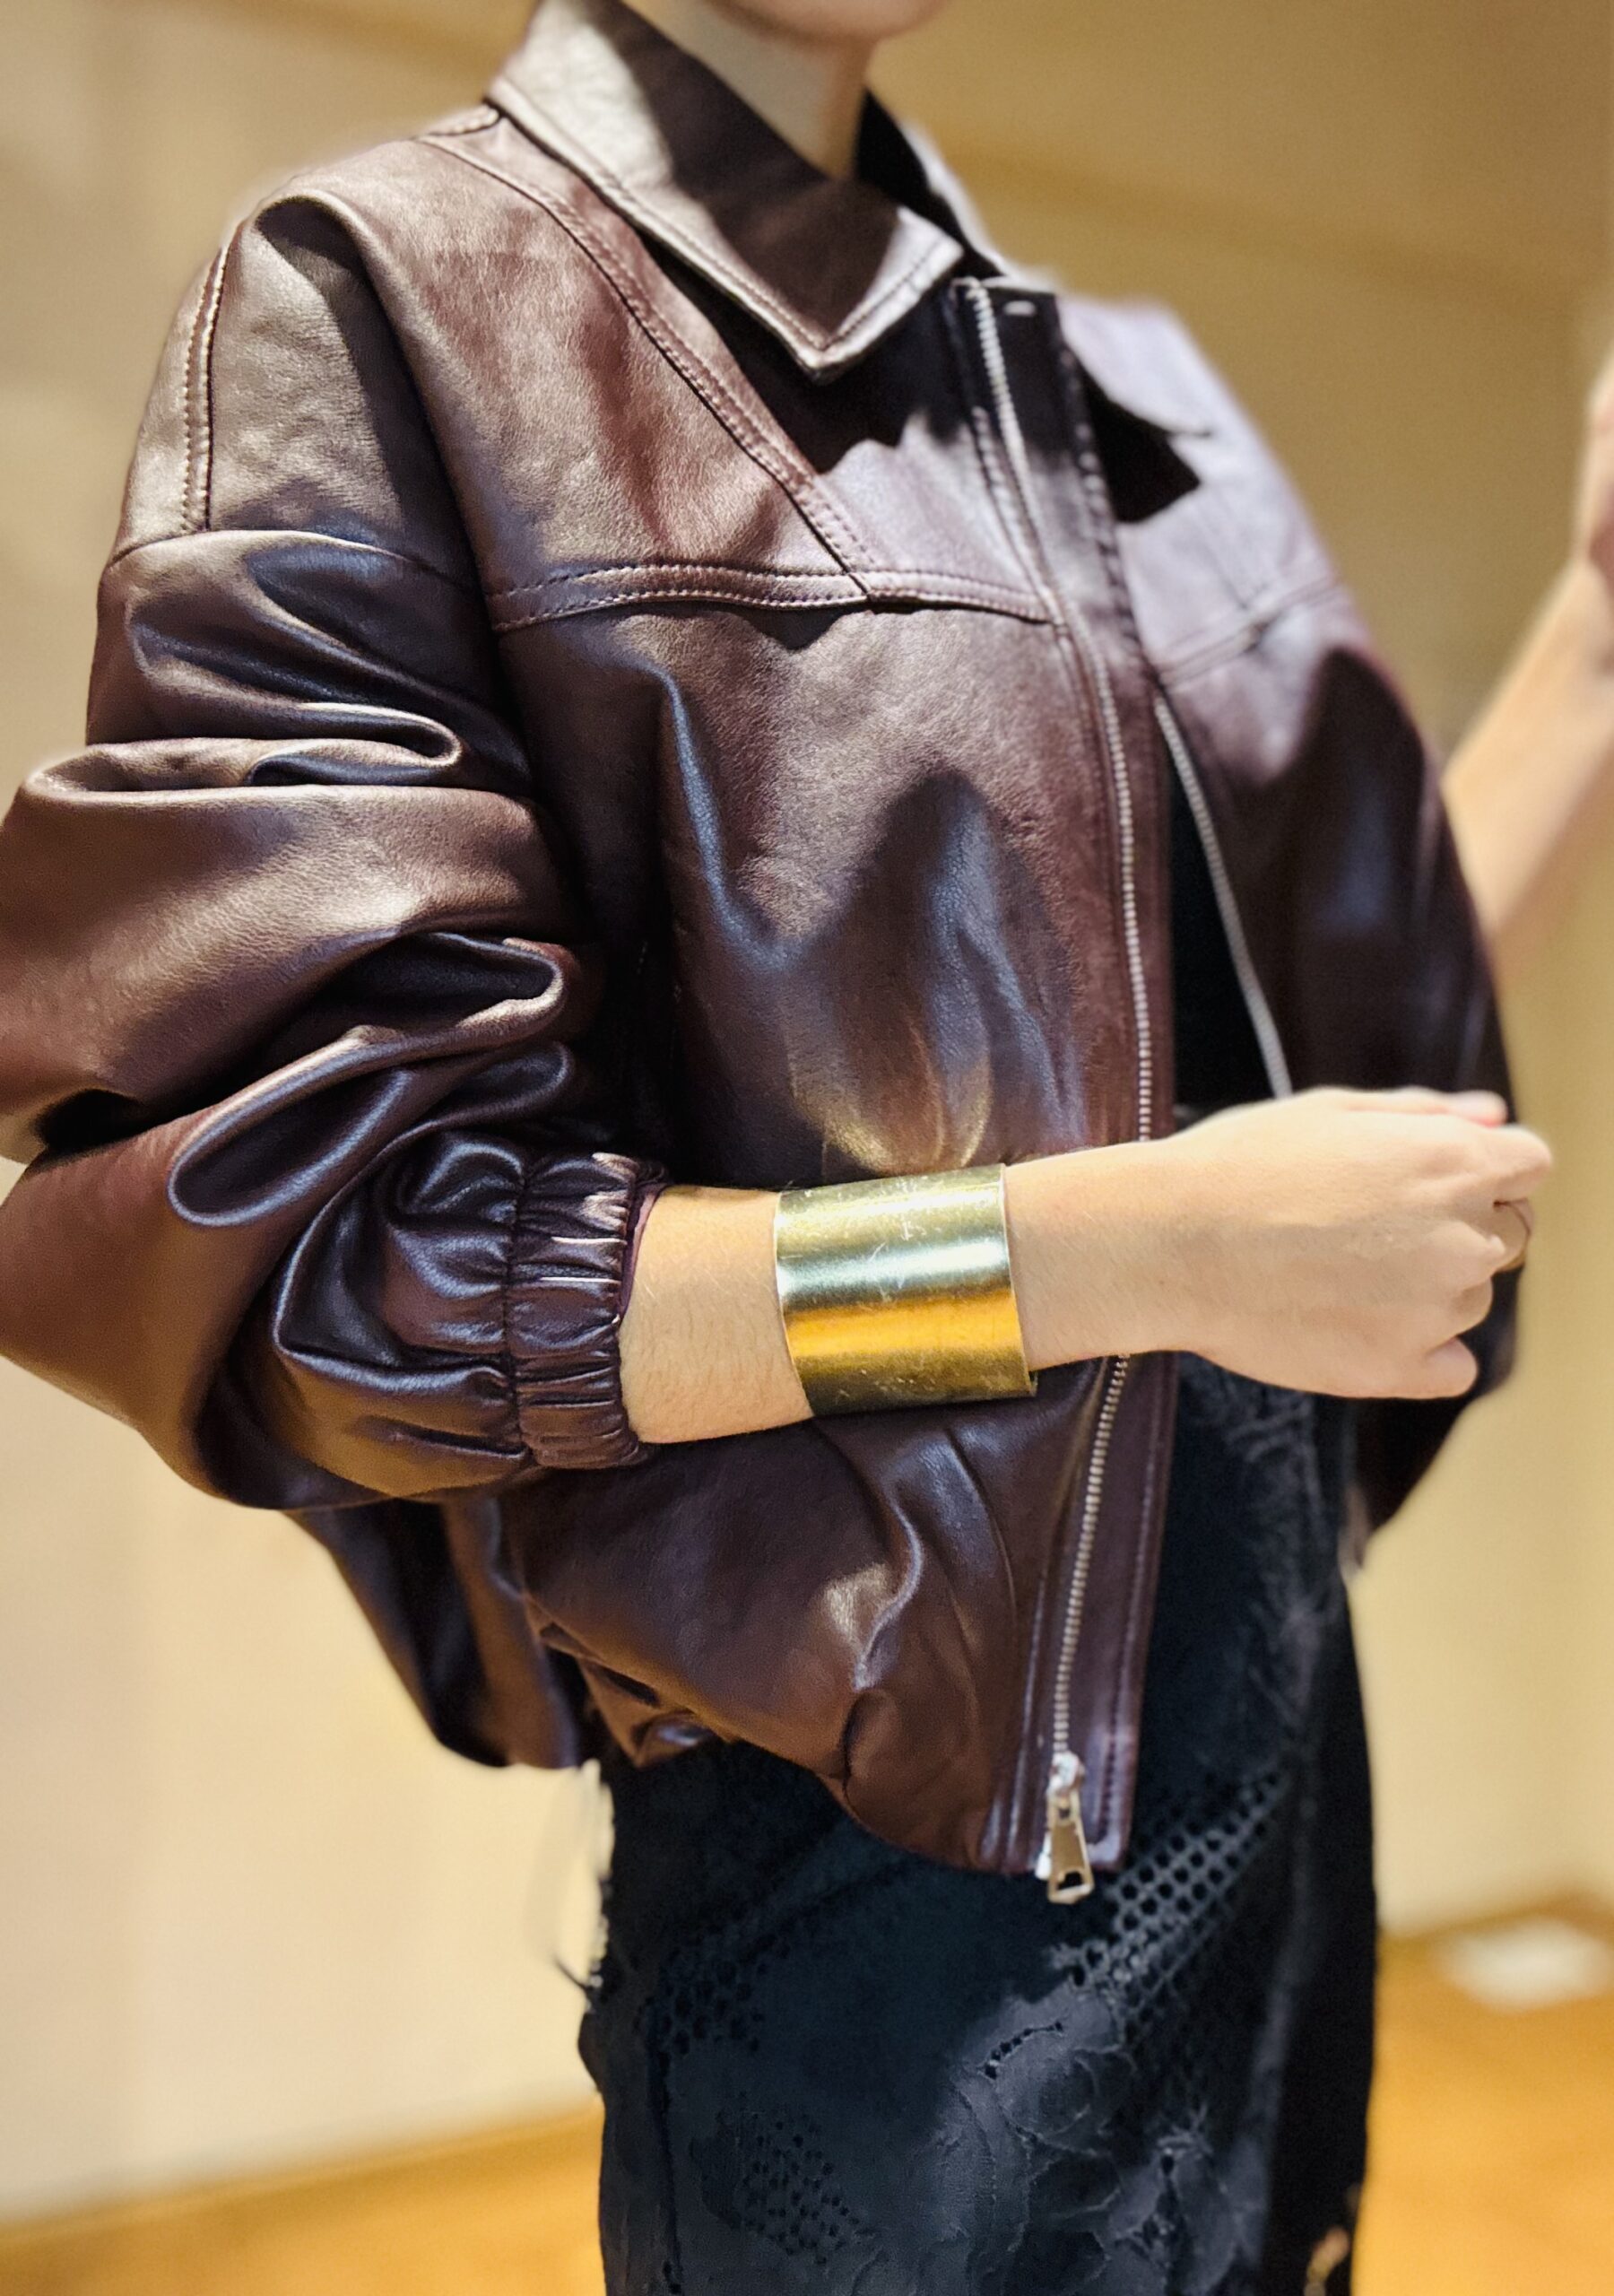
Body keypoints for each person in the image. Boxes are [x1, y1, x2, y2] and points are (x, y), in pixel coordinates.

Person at [3, 0, 1610, 2286]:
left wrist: (1599, 634)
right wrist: (1112, 1252)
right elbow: (334, 1260)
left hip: (1266, 1804)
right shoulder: (398, 295)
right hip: (886, 1940)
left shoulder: (1115, 392)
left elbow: (1345, 1054)